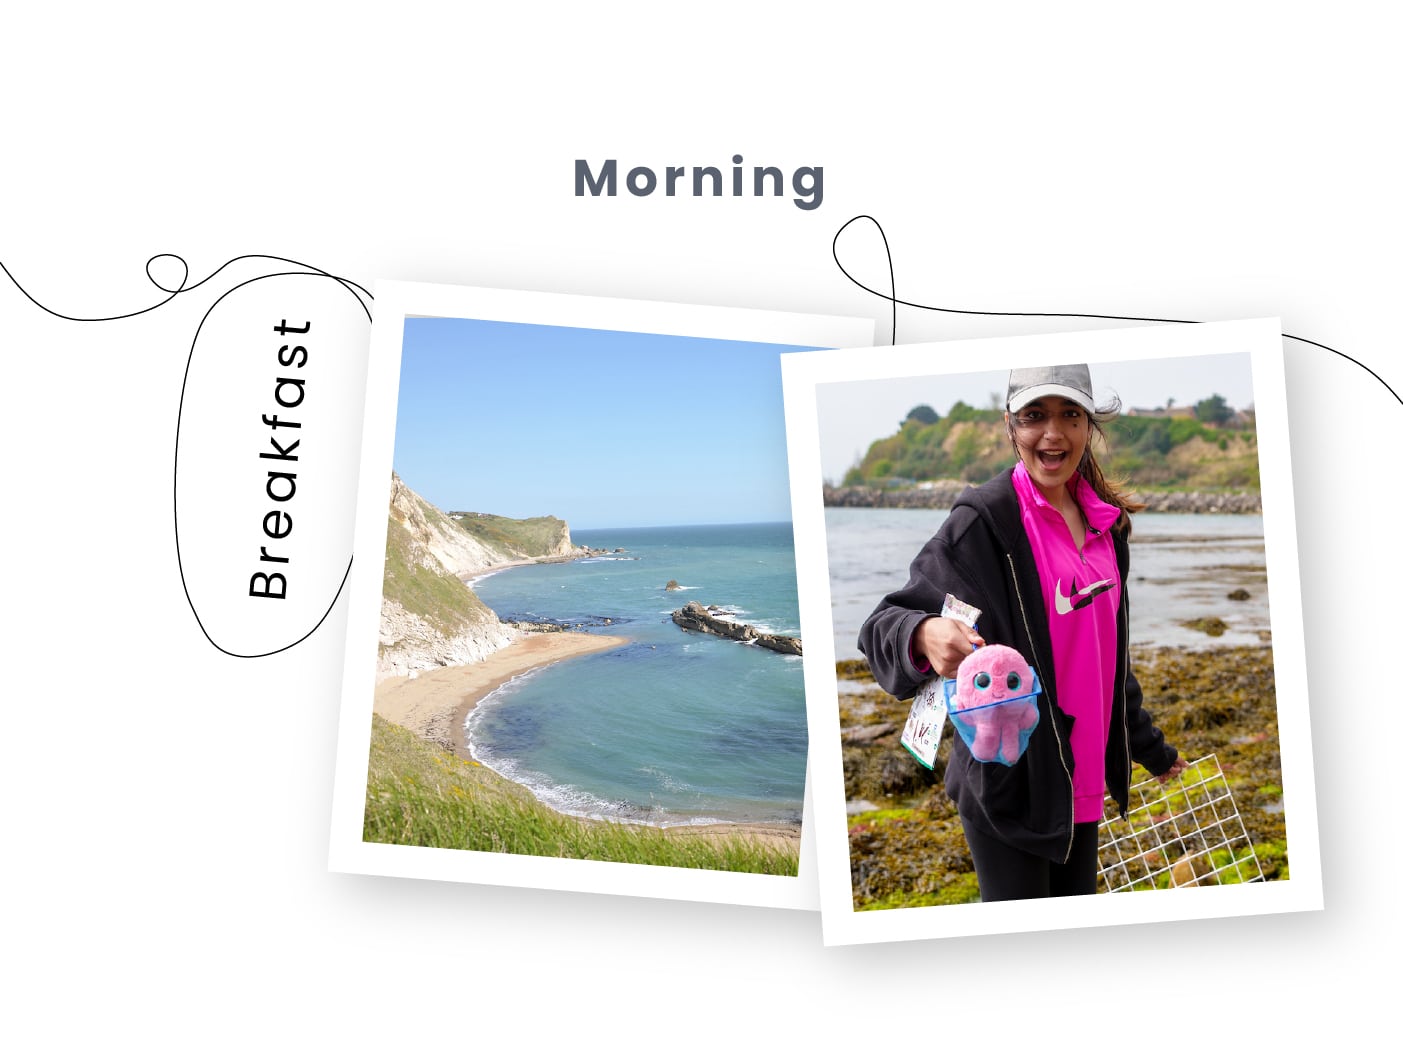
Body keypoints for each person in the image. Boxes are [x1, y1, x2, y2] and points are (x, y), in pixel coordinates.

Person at [858, 363, 1187, 901]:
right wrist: (923, 633)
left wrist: (1151, 748)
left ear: (1088, 426)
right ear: (1010, 425)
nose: (1052, 433)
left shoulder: (1107, 526)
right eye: (1035, 416)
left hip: (1081, 783)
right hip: (1009, 784)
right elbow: (881, 625)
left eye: (1069, 415)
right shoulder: (986, 521)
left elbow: (1107, 660)